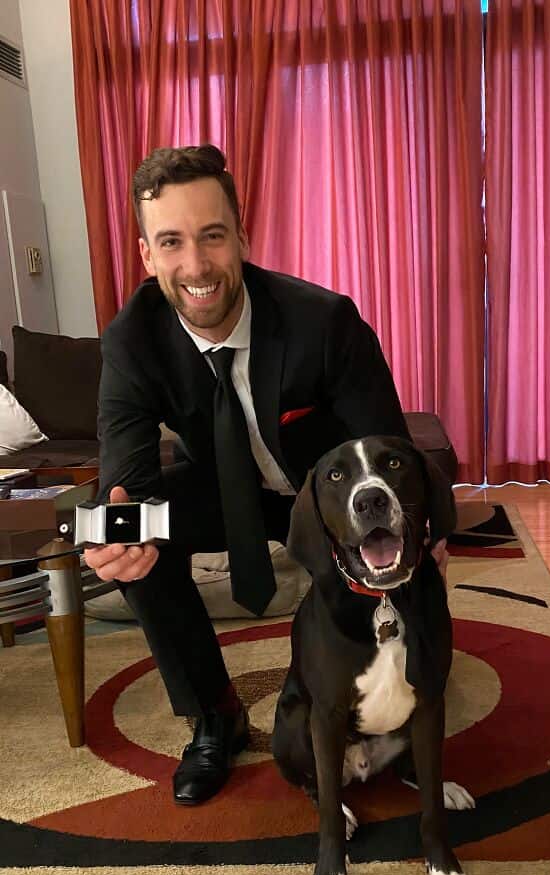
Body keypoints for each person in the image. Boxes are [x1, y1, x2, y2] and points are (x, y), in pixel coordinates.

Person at [84, 143, 419, 806]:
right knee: (139, 544)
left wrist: (415, 532)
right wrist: (112, 528)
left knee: (399, 558)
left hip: (324, 497)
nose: (196, 264)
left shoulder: (323, 322)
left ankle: (399, 701)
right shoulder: (132, 341)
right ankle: (215, 716)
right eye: (172, 242)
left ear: (242, 234)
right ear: (147, 255)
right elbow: (123, 469)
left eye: (212, 236)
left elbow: (390, 454)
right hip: (228, 490)